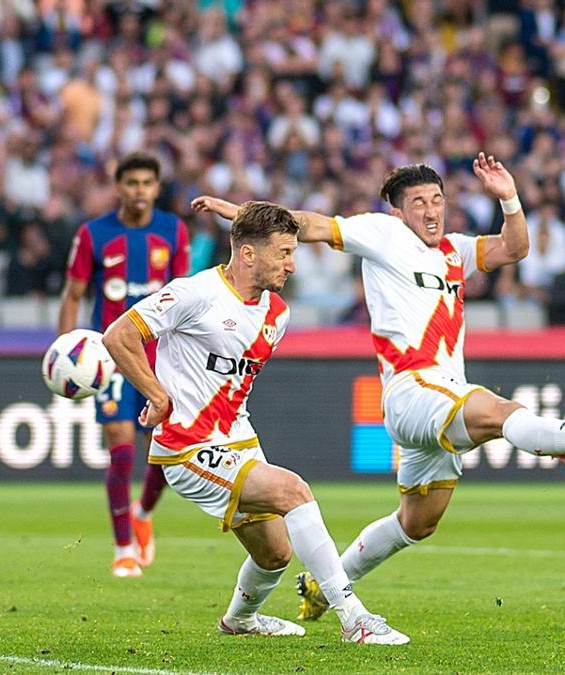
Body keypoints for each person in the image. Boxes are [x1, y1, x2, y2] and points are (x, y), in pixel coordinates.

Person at [192, 153, 565, 623]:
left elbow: (514, 249)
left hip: (440, 395)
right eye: (419, 203)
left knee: (417, 522)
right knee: (499, 411)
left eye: (437, 200)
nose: (430, 211)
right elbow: (313, 224)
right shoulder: (382, 234)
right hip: (412, 388)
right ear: (398, 212)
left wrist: (508, 196)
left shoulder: (453, 251)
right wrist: (245, 216)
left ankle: (321, 588)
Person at [101, 201, 409, 644]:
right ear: (248, 254)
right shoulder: (194, 294)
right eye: (283, 252)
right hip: (188, 447)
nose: (292, 263)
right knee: (294, 491)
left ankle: (239, 621)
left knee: (275, 553)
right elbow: (120, 335)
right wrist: (157, 394)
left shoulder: (276, 314)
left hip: (238, 441)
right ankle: (354, 618)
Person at [58, 153, 190, 577]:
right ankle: (122, 549)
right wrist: (66, 346)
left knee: (168, 453)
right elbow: (74, 293)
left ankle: (144, 513)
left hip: (161, 358)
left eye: (146, 183)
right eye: (130, 182)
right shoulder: (94, 234)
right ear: (118, 186)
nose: (138, 190)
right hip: (110, 357)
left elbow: (184, 295)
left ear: (156, 187)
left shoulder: (173, 231)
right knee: (121, 453)